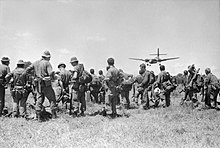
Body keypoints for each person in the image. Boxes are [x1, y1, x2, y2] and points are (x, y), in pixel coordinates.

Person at [23, 50, 57, 121]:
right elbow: (50, 73)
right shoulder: (47, 63)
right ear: (47, 57)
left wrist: (32, 77)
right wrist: (53, 77)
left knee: (39, 99)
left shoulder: (35, 63)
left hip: (38, 84)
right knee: (52, 99)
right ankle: (54, 116)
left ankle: (38, 117)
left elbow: (27, 70)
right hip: (46, 84)